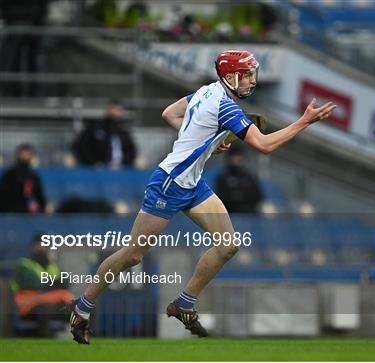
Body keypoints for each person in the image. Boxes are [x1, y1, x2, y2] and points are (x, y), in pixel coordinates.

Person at [66, 50, 336, 344]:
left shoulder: (207, 90)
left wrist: (203, 138)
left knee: (228, 245)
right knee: (132, 255)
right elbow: (265, 146)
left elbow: (170, 113)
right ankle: (81, 308)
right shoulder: (226, 108)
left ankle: (183, 303)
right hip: (168, 183)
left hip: (192, 185)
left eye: (251, 74)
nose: (251, 81)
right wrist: (304, 122)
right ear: (230, 77)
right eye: (246, 75)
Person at [10, 234, 73, 336]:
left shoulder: (52, 265)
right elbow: (33, 283)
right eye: (39, 244)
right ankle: (44, 336)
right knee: (45, 309)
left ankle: (78, 336)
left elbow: (66, 282)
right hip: (29, 305)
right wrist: (54, 283)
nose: (42, 248)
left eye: (44, 245)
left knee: (79, 307)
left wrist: (48, 284)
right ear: (32, 247)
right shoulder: (24, 264)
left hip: (54, 303)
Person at [72, 99, 137, 168]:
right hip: (98, 170)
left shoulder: (123, 133)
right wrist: (94, 163)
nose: (114, 112)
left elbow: (131, 152)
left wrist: (123, 162)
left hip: (121, 169)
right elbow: (80, 147)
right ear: (107, 110)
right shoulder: (95, 128)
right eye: (112, 109)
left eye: (118, 110)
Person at [0, 144, 46, 213]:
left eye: (28, 154)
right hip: (11, 214)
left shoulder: (33, 176)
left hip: (29, 214)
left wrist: (39, 206)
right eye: (23, 154)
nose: (25, 157)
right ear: (18, 155)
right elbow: (3, 195)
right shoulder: (10, 175)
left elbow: (39, 197)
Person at [216, 146, 263, 213]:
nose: (236, 159)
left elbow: (258, 196)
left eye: (239, 156)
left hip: (248, 213)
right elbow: (221, 198)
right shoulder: (223, 178)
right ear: (229, 158)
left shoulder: (249, 177)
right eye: (234, 156)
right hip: (230, 213)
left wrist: (240, 197)